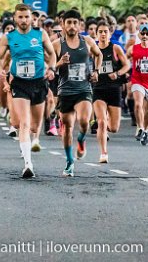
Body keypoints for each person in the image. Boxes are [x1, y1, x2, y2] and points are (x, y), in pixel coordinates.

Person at [0, 3, 57, 179]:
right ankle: (28, 164)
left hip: (38, 82)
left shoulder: (40, 34)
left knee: (34, 125)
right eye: (20, 17)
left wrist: (52, 68)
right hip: (19, 83)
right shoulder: (9, 37)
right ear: (15, 18)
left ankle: (22, 130)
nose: (24, 20)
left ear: (31, 18)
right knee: (24, 123)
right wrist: (1, 69)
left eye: (26, 17)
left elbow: (52, 54)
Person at [52, 9, 103, 177]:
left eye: (75, 23)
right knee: (66, 127)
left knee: (83, 121)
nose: (72, 26)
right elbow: (50, 68)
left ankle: (81, 139)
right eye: (69, 23)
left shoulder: (87, 41)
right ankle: (69, 162)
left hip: (83, 88)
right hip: (65, 90)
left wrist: (96, 71)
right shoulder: (57, 44)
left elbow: (99, 54)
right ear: (63, 25)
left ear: (79, 24)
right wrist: (60, 62)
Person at [92, 22, 129, 163]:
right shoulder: (92, 49)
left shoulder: (115, 48)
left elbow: (127, 65)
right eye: (100, 31)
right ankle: (103, 153)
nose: (102, 34)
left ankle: (107, 125)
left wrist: (117, 73)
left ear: (110, 33)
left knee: (113, 128)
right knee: (101, 122)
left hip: (114, 89)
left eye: (105, 31)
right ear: (96, 34)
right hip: (98, 89)